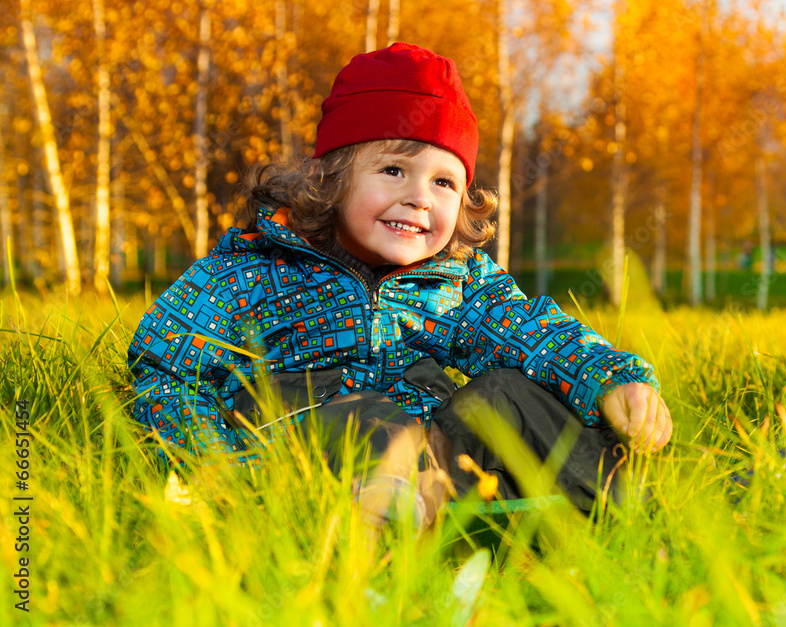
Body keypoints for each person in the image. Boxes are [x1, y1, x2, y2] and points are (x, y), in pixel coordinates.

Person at [128, 43, 672, 527]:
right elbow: (169, 373)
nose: (420, 198)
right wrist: (218, 472)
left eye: (443, 182)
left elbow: (537, 336)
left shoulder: (458, 283)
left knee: (509, 391)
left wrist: (612, 381)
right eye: (393, 171)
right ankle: (394, 518)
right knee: (360, 412)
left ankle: (629, 504)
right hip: (305, 453)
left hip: (436, 461)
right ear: (332, 179)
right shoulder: (247, 272)